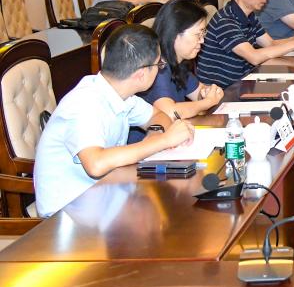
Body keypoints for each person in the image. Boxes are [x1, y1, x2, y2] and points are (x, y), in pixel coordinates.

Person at [33, 24, 195, 216]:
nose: (160, 69)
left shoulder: (120, 93)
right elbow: (96, 164)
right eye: (158, 65)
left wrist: (154, 136)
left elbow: (157, 116)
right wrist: (163, 141)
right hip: (67, 214)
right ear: (141, 74)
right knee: (170, 213)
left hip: (104, 196)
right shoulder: (85, 103)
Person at [140, 0, 224, 119]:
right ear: (174, 33)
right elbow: (168, 113)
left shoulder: (178, 62)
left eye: (203, 33)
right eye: (198, 34)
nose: (202, 40)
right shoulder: (157, 65)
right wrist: (207, 102)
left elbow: (198, 93)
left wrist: (209, 92)